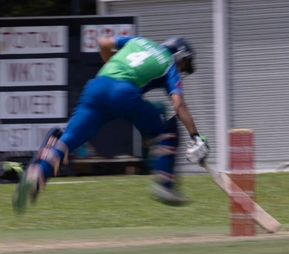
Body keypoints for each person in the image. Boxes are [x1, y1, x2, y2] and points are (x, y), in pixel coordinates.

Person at [13, 35, 210, 213]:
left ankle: (38, 173)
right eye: (184, 63)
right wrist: (195, 136)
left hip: (97, 86)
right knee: (165, 132)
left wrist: (112, 68)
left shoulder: (138, 41)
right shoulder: (169, 63)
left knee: (68, 140)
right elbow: (178, 103)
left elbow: (103, 42)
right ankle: (165, 185)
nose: (182, 69)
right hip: (123, 93)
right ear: (178, 55)